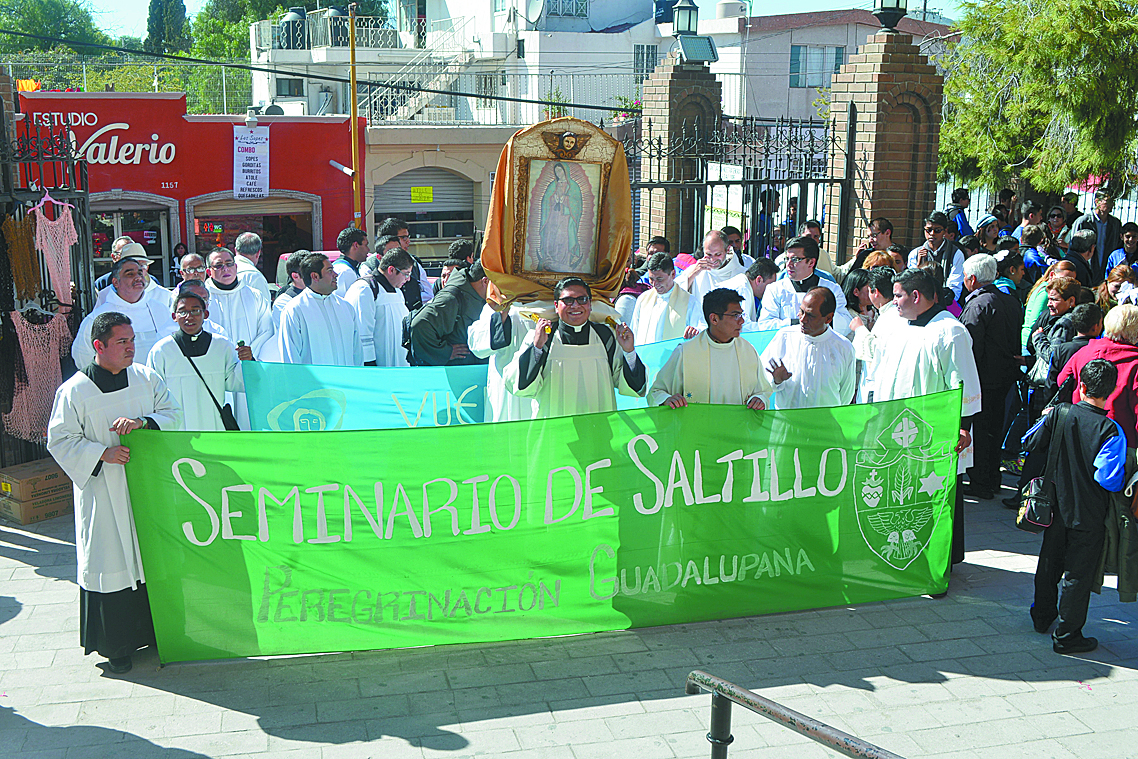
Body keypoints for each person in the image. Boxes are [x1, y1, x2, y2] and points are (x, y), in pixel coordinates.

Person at [47, 312, 182, 674]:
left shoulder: (144, 377)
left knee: (151, 558)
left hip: (146, 488)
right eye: (122, 341)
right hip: (103, 491)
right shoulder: (75, 390)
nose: (131, 347)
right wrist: (101, 453)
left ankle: (158, 634)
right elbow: (59, 439)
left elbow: (172, 413)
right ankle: (116, 646)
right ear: (99, 346)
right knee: (111, 561)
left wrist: (143, 423)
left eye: (132, 339)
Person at [871, 267, 982, 568]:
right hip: (898, 430)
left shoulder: (950, 331)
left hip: (934, 433)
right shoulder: (900, 326)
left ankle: (940, 559)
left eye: (897, 296)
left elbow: (964, 382)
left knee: (937, 498)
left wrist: (963, 426)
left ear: (916, 296)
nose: (893, 302)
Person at [1025, 358, 1126, 654]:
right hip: (1088, 512)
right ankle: (1068, 635)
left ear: (1080, 386)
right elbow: (1107, 478)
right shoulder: (1110, 430)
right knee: (1077, 574)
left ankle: (1041, 616)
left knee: (1048, 562)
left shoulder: (1061, 413)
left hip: (1053, 505)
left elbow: (1031, 442)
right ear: (1112, 391)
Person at [504, 277, 647, 418]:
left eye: (582, 300)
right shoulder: (542, 337)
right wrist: (537, 348)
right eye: (568, 300)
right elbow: (520, 386)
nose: (575, 306)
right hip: (555, 431)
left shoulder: (605, 336)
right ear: (556, 305)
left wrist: (629, 351)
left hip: (598, 428)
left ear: (590, 304)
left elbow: (633, 386)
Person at [959, 254, 1024, 500]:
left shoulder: (978, 305)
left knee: (981, 431)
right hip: (1003, 376)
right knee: (994, 429)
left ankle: (982, 482)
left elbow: (971, 347)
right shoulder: (1009, 301)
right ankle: (992, 479)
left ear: (972, 279)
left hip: (983, 379)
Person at [648, 288, 772, 409]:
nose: (742, 321)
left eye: (741, 314)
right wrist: (667, 400)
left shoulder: (748, 351)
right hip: (697, 428)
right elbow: (656, 393)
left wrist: (759, 400)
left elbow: (763, 392)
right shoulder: (686, 352)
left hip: (738, 428)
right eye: (735, 315)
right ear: (714, 319)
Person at [146, 286, 244, 430]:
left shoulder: (222, 346)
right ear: (174, 316)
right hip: (178, 429)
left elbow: (235, 383)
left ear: (206, 314)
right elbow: (153, 393)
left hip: (214, 425)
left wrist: (247, 362)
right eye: (183, 311)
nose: (189, 316)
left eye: (195, 311)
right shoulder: (161, 350)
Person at [760, 287, 855, 410]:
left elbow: (845, 397)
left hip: (824, 426)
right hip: (788, 426)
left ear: (828, 318)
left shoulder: (843, 348)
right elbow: (760, 382)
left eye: (810, 315)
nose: (802, 319)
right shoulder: (784, 337)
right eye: (801, 311)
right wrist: (776, 380)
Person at [74, 257, 177, 369]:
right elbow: (82, 356)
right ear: (116, 282)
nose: (138, 277)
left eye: (139, 273)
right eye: (130, 274)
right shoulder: (98, 317)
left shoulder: (161, 309)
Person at [278, 253, 363, 366]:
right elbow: (290, 357)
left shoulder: (345, 307)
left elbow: (357, 351)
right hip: (313, 382)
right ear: (315, 276)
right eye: (329, 271)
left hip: (346, 380)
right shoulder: (295, 310)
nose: (336, 274)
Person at [755, 235, 851, 335]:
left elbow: (845, 324)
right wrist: (795, 323)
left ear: (811, 262)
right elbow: (765, 325)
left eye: (795, 259)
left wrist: (818, 322)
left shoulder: (832, 289)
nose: (788, 264)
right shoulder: (775, 289)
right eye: (787, 259)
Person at [409, 260, 491, 366]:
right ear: (485, 281)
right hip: (456, 372)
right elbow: (420, 324)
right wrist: (445, 352)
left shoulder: (474, 293)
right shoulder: (452, 297)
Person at [468, 303, 539, 422]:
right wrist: (501, 316)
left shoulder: (553, 302)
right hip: (506, 383)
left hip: (542, 379)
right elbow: (477, 345)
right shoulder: (497, 304)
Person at [345, 247, 413, 367]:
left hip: (399, 362)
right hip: (377, 365)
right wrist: (369, 364)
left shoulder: (398, 292)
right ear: (391, 270)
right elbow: (362, 331)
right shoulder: (364, 289)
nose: (408, 280)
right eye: (406, 274)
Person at [204, 247, 274, 361]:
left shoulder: (255, 296)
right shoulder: (204, 300)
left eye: (229, 264)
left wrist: (249, 354)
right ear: (209, 272)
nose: (225, 269)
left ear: (236, 267)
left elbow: (267, 330)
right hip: (215, 364)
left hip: (250, 363)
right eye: (218, 265)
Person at [850, 266, 903, 402]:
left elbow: (875, 350)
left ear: (875, 292)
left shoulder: (891, 316)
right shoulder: (891, 313)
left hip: (879, 387)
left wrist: (859, 329)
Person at [675, 231, 749, 324]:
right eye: (708, 254)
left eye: (718, 254)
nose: (712, 259)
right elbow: (673, 293)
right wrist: (692, 275)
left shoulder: (742, 274)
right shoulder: (695, 270)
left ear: (728, 249)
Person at [629, 253, 700, 344]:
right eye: (651, 279)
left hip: (676, 357)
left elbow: (699, 332)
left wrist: (694, 332)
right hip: (647, 356)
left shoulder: (690, 302)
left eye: (660, 279)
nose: (655, 284)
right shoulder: (643, 299)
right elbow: (635, 331)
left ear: (673, 274)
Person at [378, 216, 433, 311]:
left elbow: (428, 295)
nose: (408, 241)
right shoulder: (368, 266)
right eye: (404, 238)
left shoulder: (414, 263)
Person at [1022, 261, 1078, 352]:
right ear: (1052, 275)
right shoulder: (1046, 293)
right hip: (1031, 343)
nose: (1067, 283)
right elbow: (1034, 321)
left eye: (1072, 280)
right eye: (1063, 279)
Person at [909, 212, 966, 300]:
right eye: (928, 230)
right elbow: (911, 283)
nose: (932, 233)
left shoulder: (956, 254)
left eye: (937, 230)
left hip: (946, 302)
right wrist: (918, 266)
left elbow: (955, 287)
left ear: (945, 231)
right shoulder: (915, 253)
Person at [1069, 190, 1122, 280]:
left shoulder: (1115, 223)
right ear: (1097, 202)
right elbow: (1072, 248)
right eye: (1108, 201)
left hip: (1106, 271)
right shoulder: (1083, 221)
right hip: (1086, 270)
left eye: (1113, 201)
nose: (1112, 205)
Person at [1049, 303, 1103, 387]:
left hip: (1064, 398)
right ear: (1095, 327)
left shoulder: (1062, 349)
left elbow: (1051, 381)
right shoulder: (1099, 349)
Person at [272, 249, 309, 324]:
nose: (315, 276)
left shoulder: (324, 295)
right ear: (295, 276)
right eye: (309, 272)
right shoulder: (283, 303)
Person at [233, 232, 272, 302]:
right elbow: (265, 309)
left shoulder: (221, 272)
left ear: (235, 250)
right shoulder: (256, 277)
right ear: (258, 254)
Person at [332, 226, 369, 297]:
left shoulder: (339, 267)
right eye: (366, 245)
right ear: (356, 245)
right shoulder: (345, 271)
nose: (368, 249)